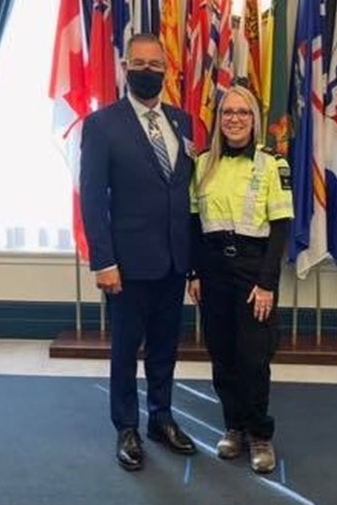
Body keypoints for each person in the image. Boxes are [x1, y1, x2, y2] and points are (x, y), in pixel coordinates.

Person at [79, 33, 197, 471]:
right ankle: (126, 426)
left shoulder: (183, 122)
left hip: (173, 261)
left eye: (156, 64)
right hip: (125, 266)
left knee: (166, 349)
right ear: (125, 67)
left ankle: (161, 419)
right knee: (126, 350)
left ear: (167, 70)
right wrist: (104, 261)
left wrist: (193, 263)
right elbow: (92, 200)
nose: (148, 70)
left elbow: (187, 193)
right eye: (140, 63)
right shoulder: (102, 125)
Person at [187, 84, 294, 474]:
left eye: (242, 112)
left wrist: (267, 284)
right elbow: (194, 224)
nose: (234, 118)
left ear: (254, 119)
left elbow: (280, 228)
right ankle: (233, 427)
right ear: (219, 119)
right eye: (227, 112)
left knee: (253, 358)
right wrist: (195, 272)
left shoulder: (272, 164)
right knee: (222, 355)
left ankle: (260, 434)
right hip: (213, 270)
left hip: (253, 270)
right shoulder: (202, 164)